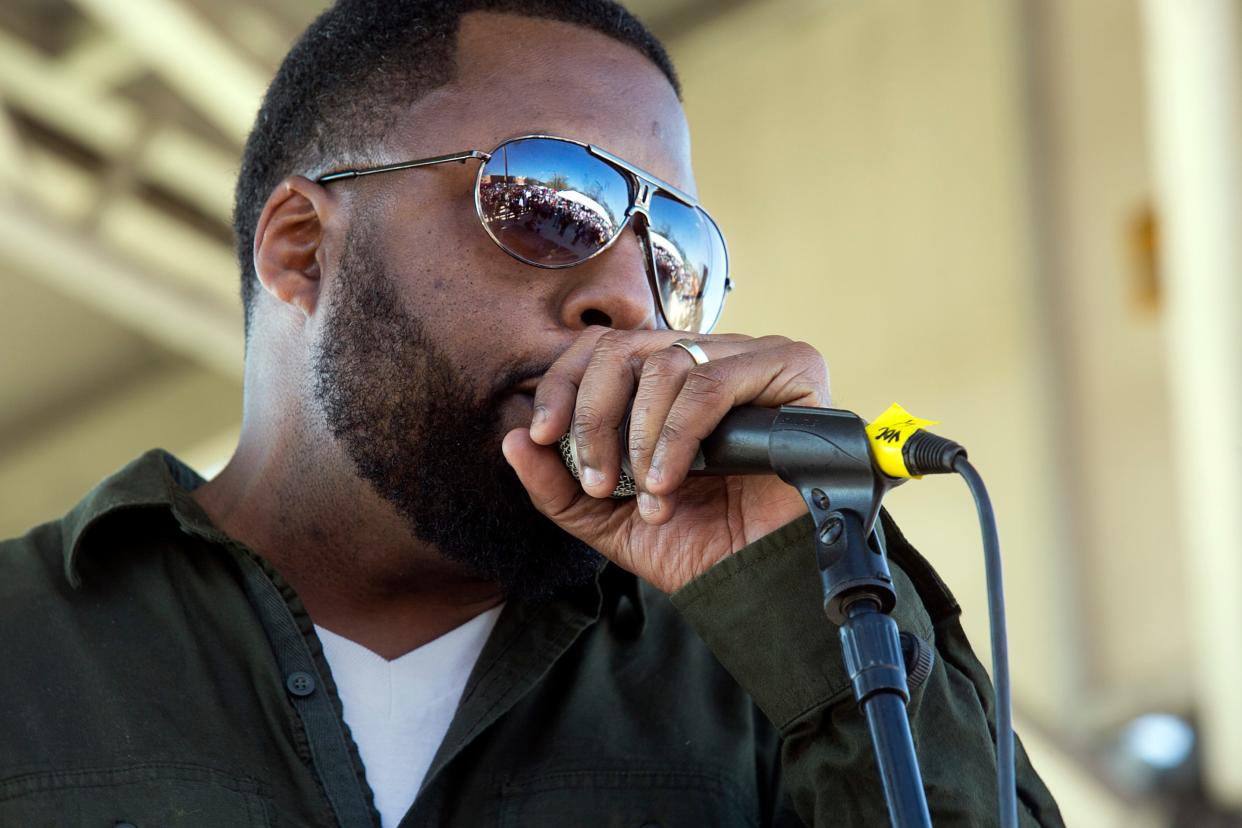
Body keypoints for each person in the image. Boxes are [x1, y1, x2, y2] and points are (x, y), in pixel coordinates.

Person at [0, 1, 1065, 826]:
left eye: (673, 253)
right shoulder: (28, 644)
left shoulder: (770, 673)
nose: (632, 300)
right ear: (301, 247)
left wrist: (799, 599)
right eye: (551, 204)